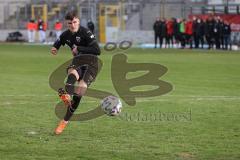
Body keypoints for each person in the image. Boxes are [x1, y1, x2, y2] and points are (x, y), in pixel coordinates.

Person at [51, 10, 101, 135]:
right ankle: (67, 96)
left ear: (78, 21)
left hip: (92, 64)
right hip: (78, 61)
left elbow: (97, 50)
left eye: (75, 22)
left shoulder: (85, 32)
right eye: (70, 23)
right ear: (66, 24)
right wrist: (55, 47)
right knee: (71, 73)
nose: (73, 25)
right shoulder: (66, 34)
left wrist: (79, 48)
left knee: (80, 91)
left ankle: (64, 121)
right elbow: (60, 40)